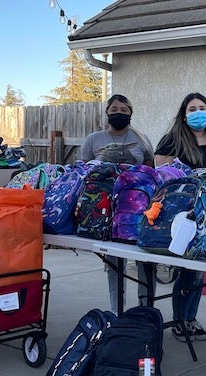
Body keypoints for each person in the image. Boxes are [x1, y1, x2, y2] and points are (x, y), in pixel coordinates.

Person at [155, 92, 206, 341]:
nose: (198, 112)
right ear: (184, 115)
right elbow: (161, 176)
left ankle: (191, 317)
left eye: (202, 107)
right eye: (192, 109)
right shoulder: (171, 141)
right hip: (182, 215)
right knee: (187, 267)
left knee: (199, 270)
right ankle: (180, 319)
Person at [79, 94, 156, 315]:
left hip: (137, 210)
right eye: (114, 109)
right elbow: (84, 173)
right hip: (104, 211)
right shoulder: (94, 139)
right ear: (107, 113)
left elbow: (150, 172)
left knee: (145, 261)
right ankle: (117, 312)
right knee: (114, 265)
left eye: (124, 110)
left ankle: (146, 310)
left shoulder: (142, 139)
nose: (119, 113)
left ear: (131, 112)